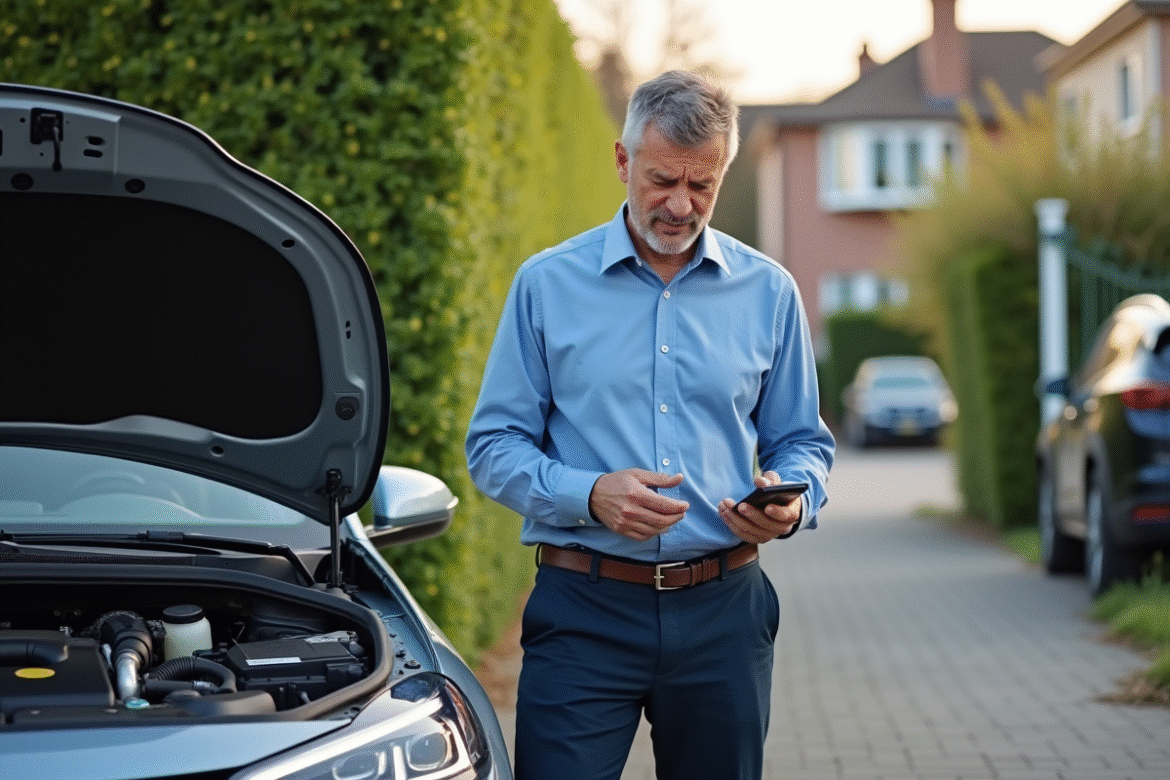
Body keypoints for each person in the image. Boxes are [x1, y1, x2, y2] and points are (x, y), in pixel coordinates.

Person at [465, 70, 834, 780]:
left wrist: (791, 501)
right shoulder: (546, 285)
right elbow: (492, 446)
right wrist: (589, 494)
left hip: (726, 614)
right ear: (622, 160)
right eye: (662, 179)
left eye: (702, 185)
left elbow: (802, 442)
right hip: (583, 612)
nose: (680, 204)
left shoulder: (770, 291)